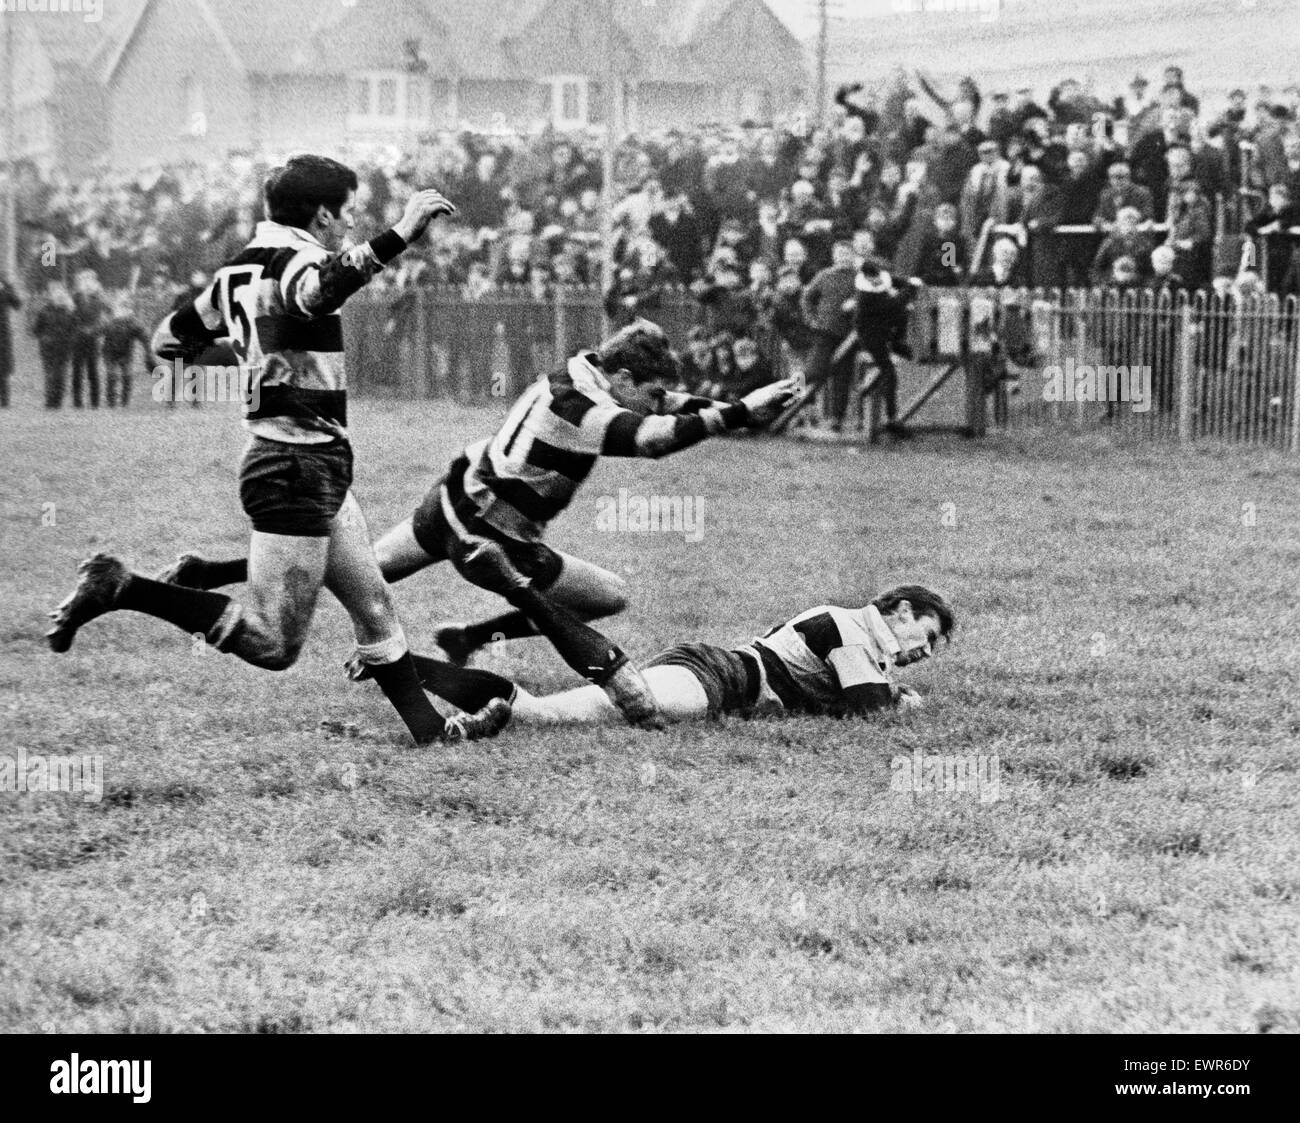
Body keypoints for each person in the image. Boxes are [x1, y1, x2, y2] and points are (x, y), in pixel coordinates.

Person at [47, 155, 498, 746]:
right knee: (272, 643)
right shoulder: (298, 259)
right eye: (349, 213)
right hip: (294, 464)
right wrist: (401, 234)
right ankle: (122, 586)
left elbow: (169, 340)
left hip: (309, 460)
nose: (349, 223)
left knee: (375, 608)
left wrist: (255, 361)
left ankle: (432, 734)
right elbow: (320, 290)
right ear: (322, 213)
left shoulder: (237, 270)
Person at [158, 319, 798, 731]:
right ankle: (483, 641)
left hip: (452, 501)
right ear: (624, 377)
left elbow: (668, 408)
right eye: (652, 391)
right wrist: (739, 410)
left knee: (354, 566)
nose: (660, 403)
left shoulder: (579, 373)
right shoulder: (581, 405)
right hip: (491, 535)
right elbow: (654, 438)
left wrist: (743, 408)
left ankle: (207, 572)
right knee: (608, 595)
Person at [362, 585, 955, 731]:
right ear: (897, 610)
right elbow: (868, 712)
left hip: (717, 670)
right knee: (564, 714)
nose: (919, 652)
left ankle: (410, 669)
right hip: (721, 675)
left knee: (560, 712)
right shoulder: (853, 629)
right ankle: (414, 670)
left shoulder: (847, 628)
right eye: (923, 636)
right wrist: (903, 701)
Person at [100, 295, 151, 409]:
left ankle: (124, 402)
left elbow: (144, 337)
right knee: (112, 375)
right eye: (119, 308)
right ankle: (111, 402)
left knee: (127, 376)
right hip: (110, 354)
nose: (121, 311)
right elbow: (98, 331)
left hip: (126, 354)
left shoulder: (133, 323)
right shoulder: (109, 322)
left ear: (129, 311)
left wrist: (148, 351)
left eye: (125, 309)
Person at [32, 282, 77, 410]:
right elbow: (36, 330)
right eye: (54, 292)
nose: (57, 295)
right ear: (51, 295)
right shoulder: (44, 311)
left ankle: (57, 401)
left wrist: (70, 341)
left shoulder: (70, 311)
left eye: (60, 292)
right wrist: (44, 338)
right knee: (50, 374)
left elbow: (74, 329)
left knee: (60, 374)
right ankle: (50, 401)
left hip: (64, 348)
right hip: (48, 348)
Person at [0, 274, 20, 409]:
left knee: (3, 369)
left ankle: (5, 402)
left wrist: (6, 290)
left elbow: (17, 304)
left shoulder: (5, 284)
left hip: (3, 333)